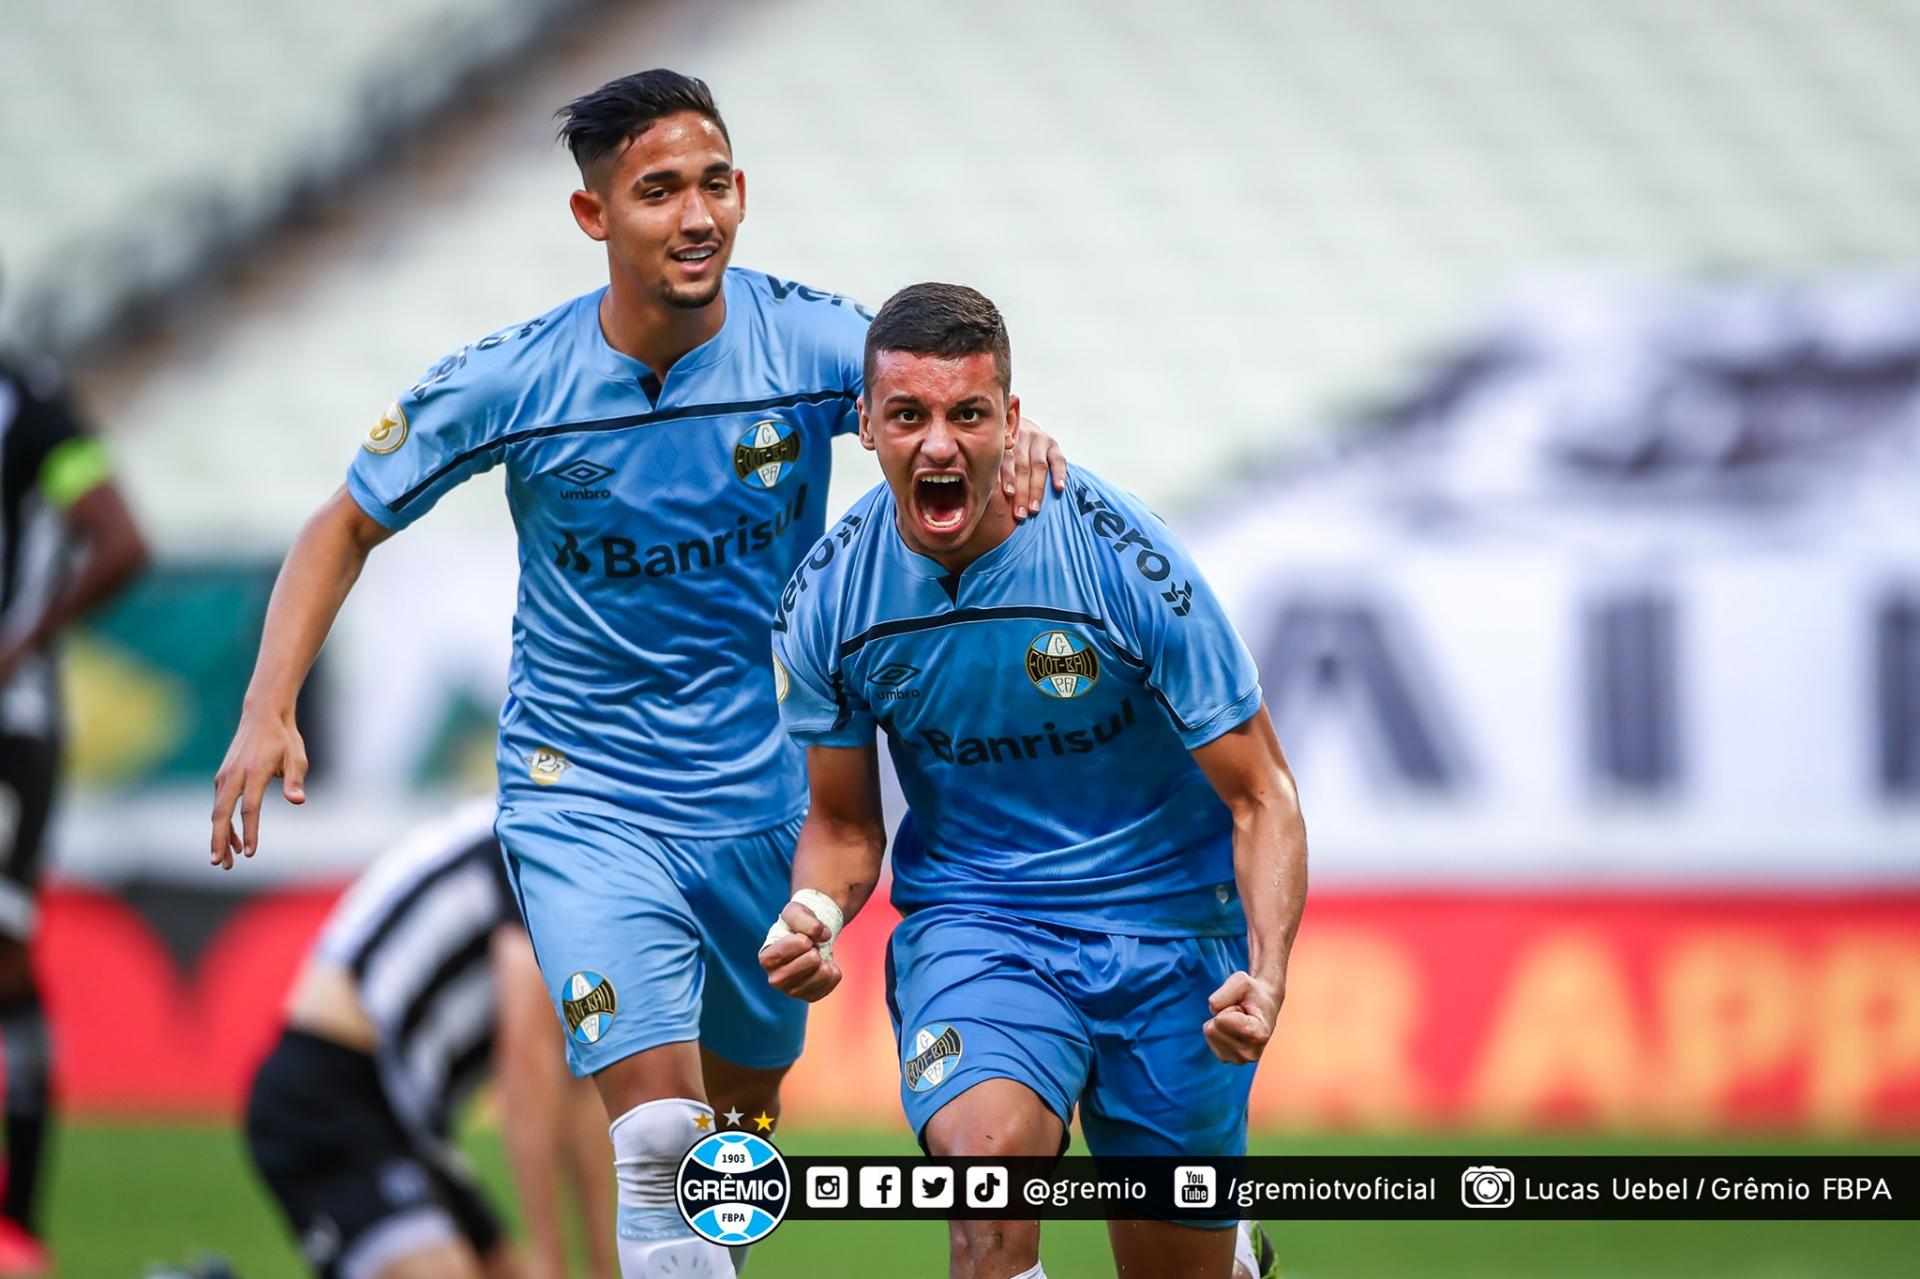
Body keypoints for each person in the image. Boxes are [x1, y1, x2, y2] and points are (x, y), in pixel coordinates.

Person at [208, 70, 1064, 1277]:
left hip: (762, 809)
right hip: (584, 796)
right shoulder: (516, 381)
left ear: (745, 194)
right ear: (593, 216)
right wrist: (267, 705)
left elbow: (942, 408)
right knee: (663, 1142)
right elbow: (343, 523)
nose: (696, 214)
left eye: (715, 184)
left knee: (737, 1155)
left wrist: (1017, 440)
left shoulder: (815, 347)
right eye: (658, 189)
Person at [760, 283, 1305, 1279]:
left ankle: (1221, 1255)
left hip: (1174, 937)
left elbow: (1261, 792)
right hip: (980, 927)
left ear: (1010, 422)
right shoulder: (829, 599)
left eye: (968, 413)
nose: (937, 443)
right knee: (986, 1177)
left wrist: (1264, 975)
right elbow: (843, 826)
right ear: (867, 427)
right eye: (909, 416)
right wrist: (813, 909)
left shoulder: (1123, 562)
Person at [247, 799, 616, 1279]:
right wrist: (551, 1256)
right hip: (330, 1088)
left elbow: (582, 1079)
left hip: (405, 1119)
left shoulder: (580, 847)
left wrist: (604, 1265)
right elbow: (529, 1061)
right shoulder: (542, 837)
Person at [0, 355, 148, 1276]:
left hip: (7, 732)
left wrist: (20, 645)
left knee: (3, 960)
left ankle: (19, 1226)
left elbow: (118, 537)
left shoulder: (29, 406)